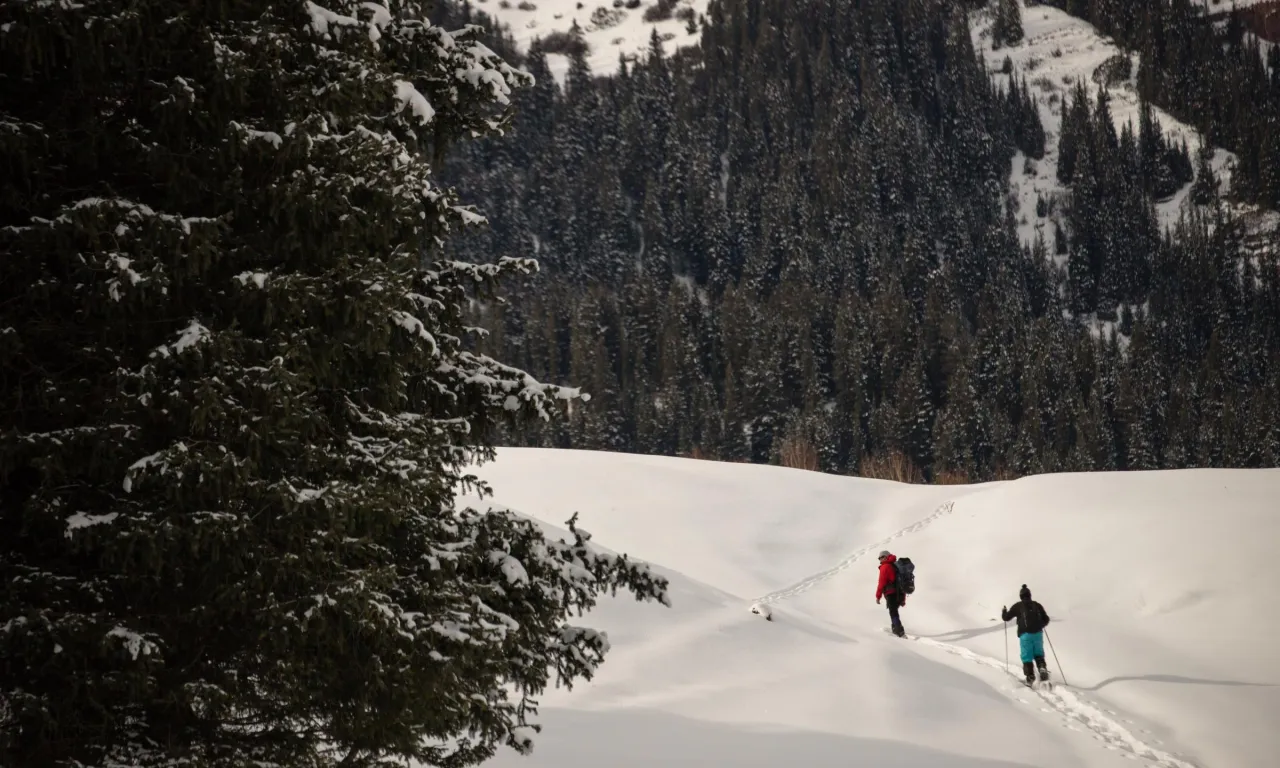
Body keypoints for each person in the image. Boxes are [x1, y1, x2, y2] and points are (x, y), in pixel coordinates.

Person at [1002, 584, 1051, 685]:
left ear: (1021, 596)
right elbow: (1046, 619)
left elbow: (1006, 618)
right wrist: (1040, 625)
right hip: (1038, 634)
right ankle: (1042, 668)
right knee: (1038, 654)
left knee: (1027, 656)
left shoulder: (1018, 606)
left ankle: (1030, 677)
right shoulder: (1037, 605)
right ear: (1030, 595)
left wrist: (1004, 612)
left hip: (1025, 635)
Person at [875, 550, 905, 637]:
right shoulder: (895, 565)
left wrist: (878, 596)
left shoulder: (885, 567)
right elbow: (901, 582)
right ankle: (896, 628)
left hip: (891, 593)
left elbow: (881, 583)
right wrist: (903, 599)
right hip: (899, 593)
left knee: (893, 612)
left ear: (886, 557)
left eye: (881, 557)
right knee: (894, 611)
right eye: (879, 558)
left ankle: (898, 630)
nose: (880, 560)